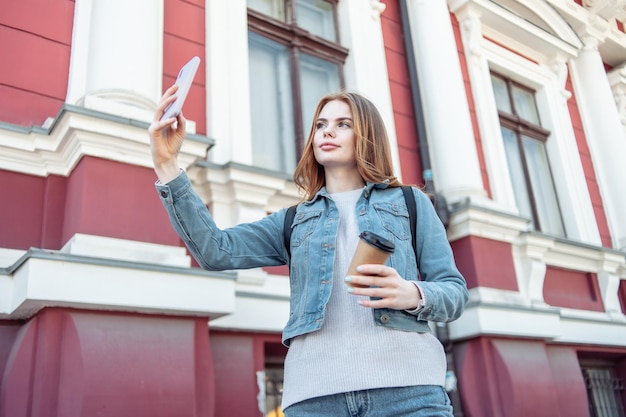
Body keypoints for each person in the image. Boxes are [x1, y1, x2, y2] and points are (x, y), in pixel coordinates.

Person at [148, 87, 469, 417]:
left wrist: (411, 293)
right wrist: (167, 164)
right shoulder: (293, 220)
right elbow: (215, 250)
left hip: (410, 394)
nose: (327, 131)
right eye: (320, 125)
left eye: (343, 123)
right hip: (315, 399)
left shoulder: (410, 203)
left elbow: (454, 292)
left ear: (368, 134)